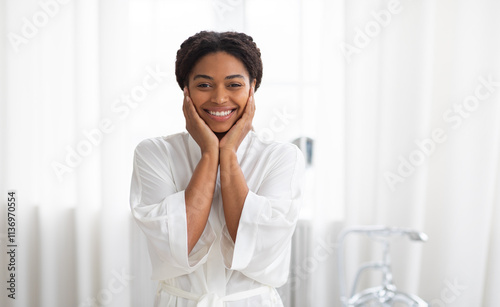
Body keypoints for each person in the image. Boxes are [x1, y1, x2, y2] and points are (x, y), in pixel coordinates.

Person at [129, 31, 305, 307]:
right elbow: (178, 243)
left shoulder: (281, 157)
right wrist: (211, 153)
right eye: (204, 85)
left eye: (234, 84)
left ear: (252, 87)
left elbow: (256, 246)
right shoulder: (154, 153)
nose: (220, 98)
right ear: (185, 89)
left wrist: (228, 154)